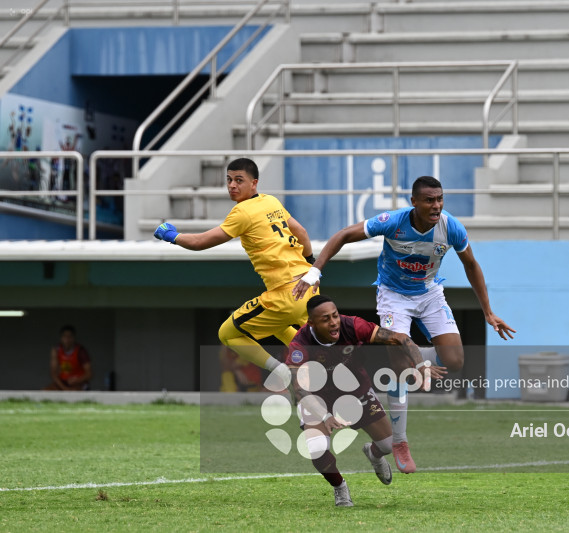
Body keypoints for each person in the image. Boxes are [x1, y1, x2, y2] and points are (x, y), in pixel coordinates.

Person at [292, 175, 515, 473]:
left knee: (455, 360)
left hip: (430, 292)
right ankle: (399, 440)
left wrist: (487, 311)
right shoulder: (392, 222)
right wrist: (315, 270)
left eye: (439, 199)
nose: (436, 205)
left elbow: (471, 265)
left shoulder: (451, 228)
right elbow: (345, 234)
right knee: (400, 370)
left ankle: (403, 360)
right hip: (393, 296)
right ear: (414, 202)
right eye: (429, 200)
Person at [154, 158, 315, 385]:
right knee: (280, 326)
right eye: (229, 180)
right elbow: (302, 232)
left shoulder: (242, 212)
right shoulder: (271, 202)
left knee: (228, 334)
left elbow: (200, 242)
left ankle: (282, 371)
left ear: (254, 183)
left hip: (284, 295)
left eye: (239, 180)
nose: (232, 185)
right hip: (308, 287)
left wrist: (171, 236)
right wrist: (311, 267)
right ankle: (309, 366)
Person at [284, 294, 445, 507]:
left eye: (335, 316)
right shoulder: (300, 345)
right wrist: (325, 415)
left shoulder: (353, 326)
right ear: (311, 323)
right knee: (317, 447)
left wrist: (419, 364)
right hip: (317, 397)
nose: (333, 322)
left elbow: (401, 338)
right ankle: (339, 487)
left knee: (388, 445)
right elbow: (299, 388)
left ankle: (374, 454)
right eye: (326, 319)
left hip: (355, 390)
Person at [44, 325, 92, 391]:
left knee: (75, 393)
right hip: (62, 383)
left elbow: (89, 374)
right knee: (45, 391)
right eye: (65, 336)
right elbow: (53, 373)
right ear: (61, 338)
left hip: (78, 382)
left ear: (74, 338)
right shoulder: (56, 350)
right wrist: (64, 388)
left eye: (70, 336)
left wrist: (77, 380)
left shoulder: (80, 351)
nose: (67, 339)